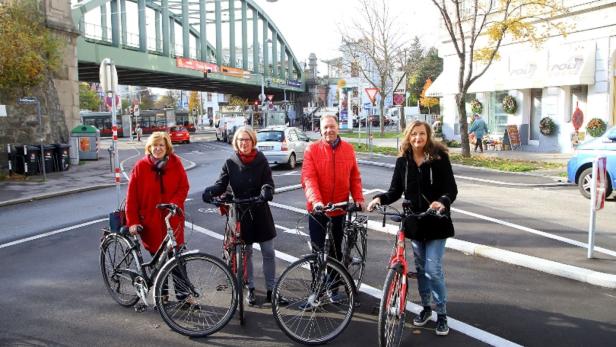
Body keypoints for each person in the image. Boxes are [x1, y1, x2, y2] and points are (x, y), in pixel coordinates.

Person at [367, 120, 458, 336]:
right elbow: (395, 191)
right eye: (414, 134)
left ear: (428, 136)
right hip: (415, 223)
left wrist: (442, 202)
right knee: (422, 270)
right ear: (408, 136)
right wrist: (379, 199)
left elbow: (451, 189)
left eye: (422, 134)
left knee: (433, 269)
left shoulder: (439, 158)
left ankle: (442, 313)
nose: (418, 138)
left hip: (436, 221)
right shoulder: (403, 162)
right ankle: (426, 309)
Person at [202, 126, 284, 306]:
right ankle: (251, 289)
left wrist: (266, 190)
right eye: (240, 140)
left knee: (268, 252)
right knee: (246, 254)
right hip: (240, 213)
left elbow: (268, 182)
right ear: (235, 143)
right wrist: (210, 191)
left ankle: (272, 289)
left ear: (253, 141)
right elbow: (221, 185)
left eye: (247, 139)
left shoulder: (261, 160)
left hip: (260, 210)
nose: (243, 143)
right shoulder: (230, 162)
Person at [125, 131, 191, 303]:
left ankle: (184, 297)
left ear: (167, 147)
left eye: (161, 145)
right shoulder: (140, 167)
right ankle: (162, 296)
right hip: (151, 221)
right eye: (155, 145)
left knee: (178, 259)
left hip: (172, 219)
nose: (158, 148)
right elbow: (132, 198)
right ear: (149, 147)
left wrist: (174, 204)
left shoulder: (176, 163)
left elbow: (183, 187)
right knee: (159, 262)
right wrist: (132, 221)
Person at [301, 114, 364, 263]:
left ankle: (334, 285)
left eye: (332, 126)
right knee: (318, 254)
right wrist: (316, 201)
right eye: (325, 127)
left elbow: (354, 177)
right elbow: (308, 178)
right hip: (318, 210)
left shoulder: (348, 149)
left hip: (339, 209)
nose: (329, 130)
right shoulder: (312, 149)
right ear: (320, 130)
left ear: (338, 127)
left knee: (335, 253)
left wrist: (358, 198)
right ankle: (317, 286)